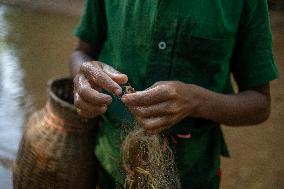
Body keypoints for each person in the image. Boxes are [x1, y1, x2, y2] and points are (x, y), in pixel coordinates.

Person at [70, 0, 278, 188]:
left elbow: (259, 104)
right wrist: (84, 76)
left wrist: (197, 101)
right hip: (109, 165)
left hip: (194, 173)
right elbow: (81, 53)